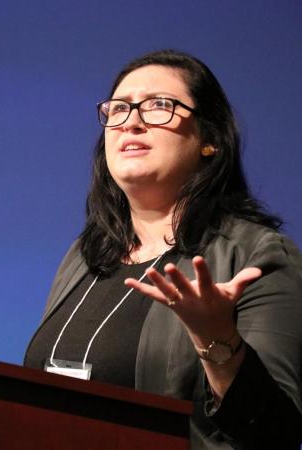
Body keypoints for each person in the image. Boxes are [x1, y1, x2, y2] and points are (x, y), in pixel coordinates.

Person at [24, 49, 302, 449]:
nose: (131, 122)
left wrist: (217, 340)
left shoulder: (256, 256)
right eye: (119, 108)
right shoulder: (86, 256)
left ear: (210, 140)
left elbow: (276, 435)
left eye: (159, 106)